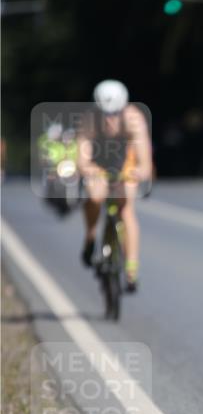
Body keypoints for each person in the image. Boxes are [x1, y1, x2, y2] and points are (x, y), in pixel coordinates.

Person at [77, 80, 152, 292]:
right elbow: (82, 158)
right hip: (99, 164)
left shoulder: (134, 119)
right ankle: (90, 236)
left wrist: (139, 172)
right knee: (94, 196)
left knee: (126, 209)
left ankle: (131, 270)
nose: (109, 119)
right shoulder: (89, 120)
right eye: (105, 114)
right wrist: (89, 169)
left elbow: (144, 161)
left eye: (114, 113)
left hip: (125, 165)